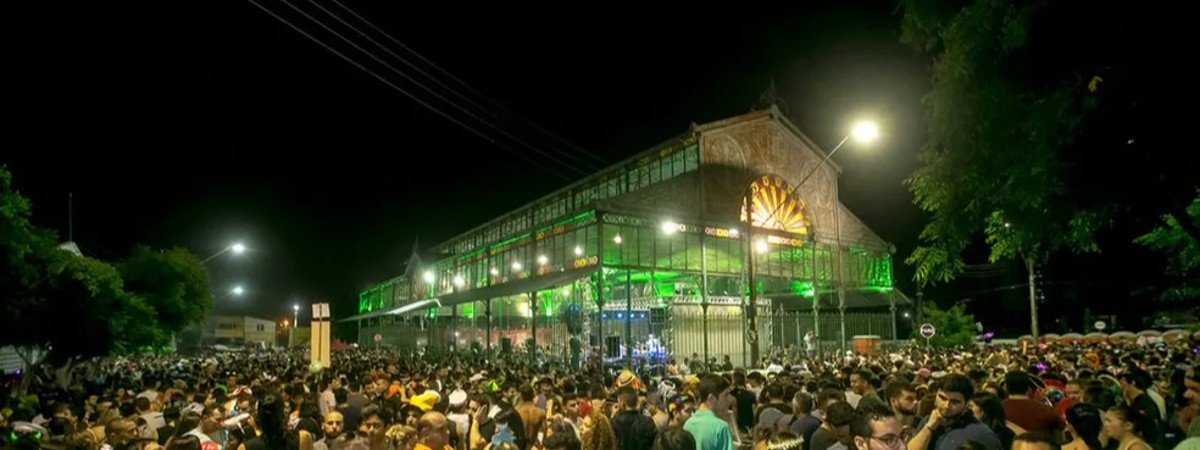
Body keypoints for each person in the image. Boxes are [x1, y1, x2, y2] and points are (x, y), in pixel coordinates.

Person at [907, 374, 1001, 450]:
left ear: (967, 403)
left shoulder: (982, 435)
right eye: (942, 398)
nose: (946, 406)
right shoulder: (927, 421)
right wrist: (929, 427)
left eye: (955, 402)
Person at [684, 374, 736, 450]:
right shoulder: (721, 427)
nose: (730, 399)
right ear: (711, 398)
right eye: (726, 395)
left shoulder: (687, 424)